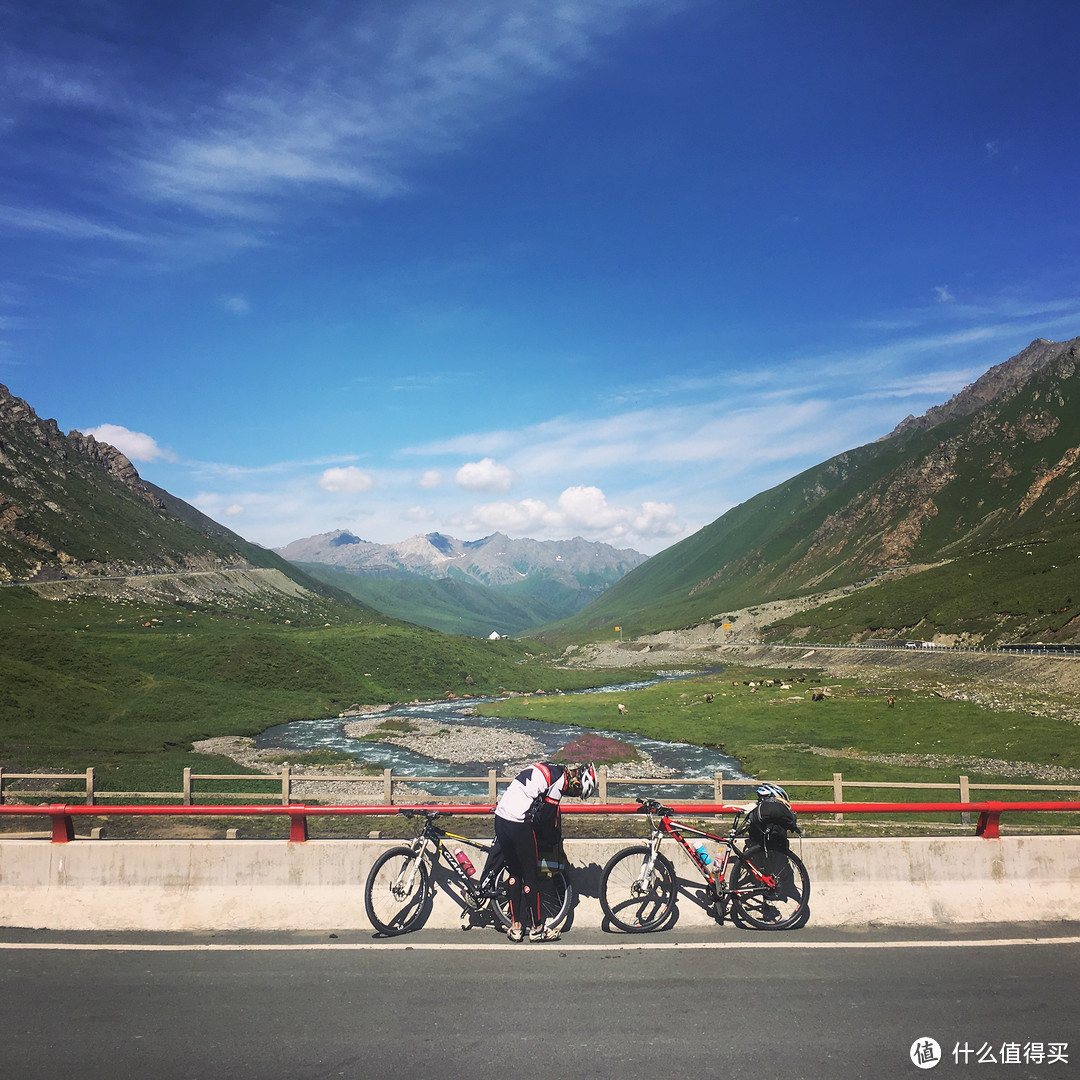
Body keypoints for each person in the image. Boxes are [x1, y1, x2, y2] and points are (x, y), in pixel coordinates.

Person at [493, 761, 597, 942]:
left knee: (514, 872)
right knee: (530, 876)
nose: (572, 794)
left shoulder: (549, 767)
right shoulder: (560, 781)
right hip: (518, 823)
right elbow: (547, 819)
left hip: (501, 817)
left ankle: (515, 927)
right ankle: (537, 929)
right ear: (577, 780)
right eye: (576, 792)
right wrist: (551, 840)